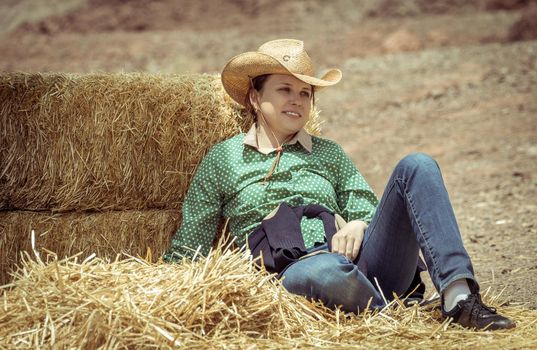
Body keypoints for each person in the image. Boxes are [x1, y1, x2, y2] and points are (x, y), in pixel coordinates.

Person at [164, 39, 515, 330]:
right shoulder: (225, 159)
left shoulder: (328, 153)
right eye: (284, 89)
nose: (296, 100)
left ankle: (459, 297)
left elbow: (369, 210)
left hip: (365, 266)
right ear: (255, 98)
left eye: (305, 93)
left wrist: (360, 225)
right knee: (326, 269)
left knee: (418, 165)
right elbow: (190, 243)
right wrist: (158, 292)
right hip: (291, 272)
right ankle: (398, 318)